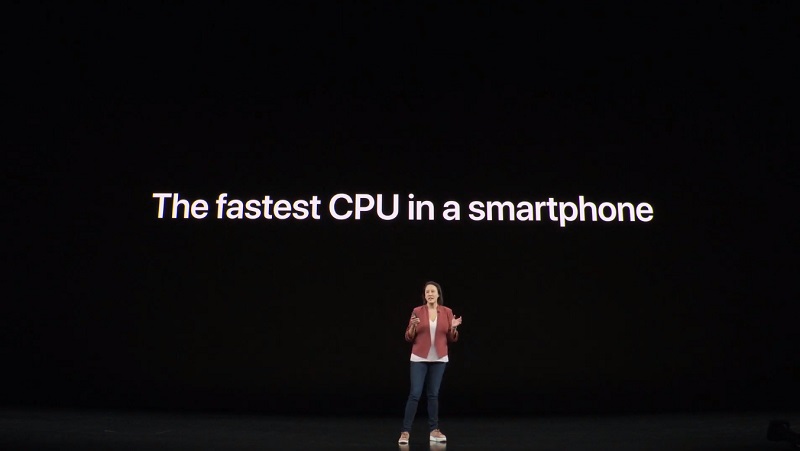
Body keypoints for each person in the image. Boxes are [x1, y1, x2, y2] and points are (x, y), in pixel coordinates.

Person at [398, 281, 462, 444]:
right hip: (419, 358)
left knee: (433, 394)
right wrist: (413, 326)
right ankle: (405, 432)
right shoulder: (417, 311)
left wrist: (454, 328)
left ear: (438, 294)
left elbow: (451, 338)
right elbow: (408, 337)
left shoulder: (447, 312)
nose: (430, 294)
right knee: (415, 394)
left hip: (439, 358)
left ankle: (434, 431)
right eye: (427, 292)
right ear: (424, 295)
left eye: (433, 291)